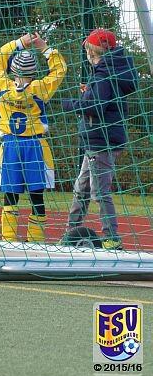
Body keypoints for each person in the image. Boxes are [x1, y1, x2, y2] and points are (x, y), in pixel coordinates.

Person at [61, 28, 138, 250]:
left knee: (99, 191)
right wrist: (88, 93)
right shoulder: (106, 73)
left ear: (93, 52)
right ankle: (72, 232)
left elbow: (96, 107)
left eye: (88, 50)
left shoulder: (104, 75)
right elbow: (101, 99)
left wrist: (69, 104)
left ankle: (111, 237)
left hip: (102, 142)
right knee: (82, 187)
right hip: (96, 140)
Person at [0, 33, 66, 243]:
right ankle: (35, 240)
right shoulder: (39, 88)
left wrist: (19, 43)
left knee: (10, 195)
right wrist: (44, 48)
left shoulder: (2, 86)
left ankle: (8, 239)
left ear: (12, 70)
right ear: (34, 74)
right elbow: (60, 69)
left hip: (10, 146)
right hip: (35, 146)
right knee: (37, 196)